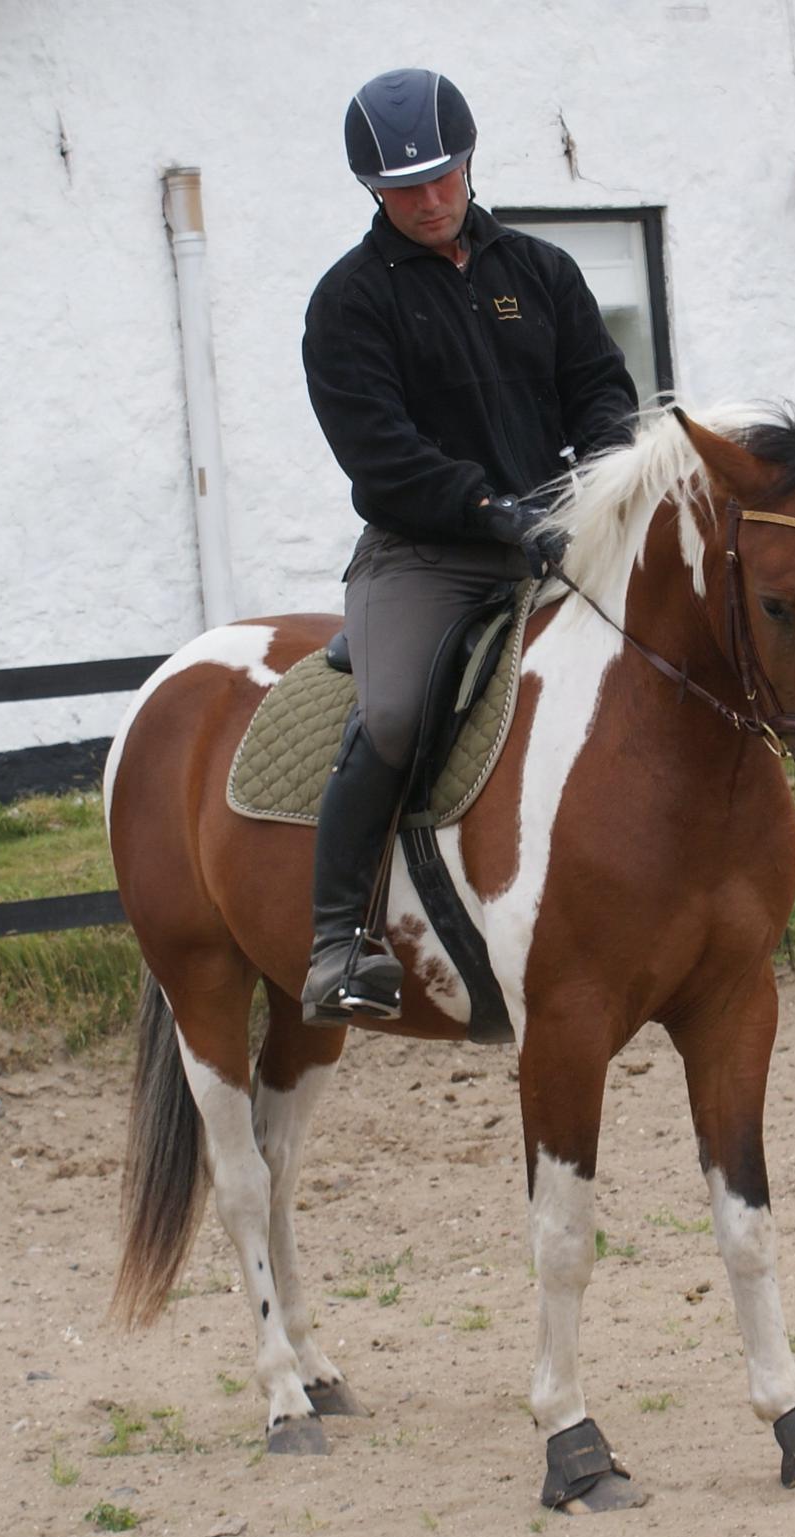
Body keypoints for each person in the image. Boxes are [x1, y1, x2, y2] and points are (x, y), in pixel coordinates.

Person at [300, 68, 638, 1022]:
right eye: (405, 186)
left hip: (558, 534)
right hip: (427, 553)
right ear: (372, 188)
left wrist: (604, 479)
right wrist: (493, 510)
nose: (431, 198)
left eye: (443, 175)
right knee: (399, 715)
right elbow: (383, 453)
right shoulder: (350, 304)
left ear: (468, 161)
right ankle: (336, 942)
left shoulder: (541, 271)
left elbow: (601, 391)